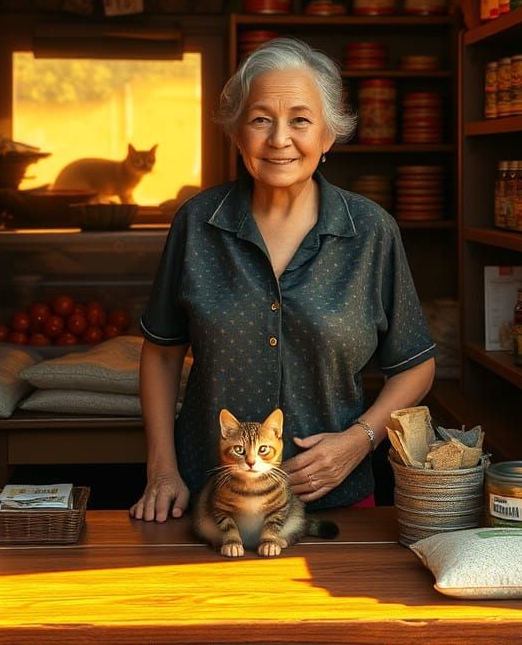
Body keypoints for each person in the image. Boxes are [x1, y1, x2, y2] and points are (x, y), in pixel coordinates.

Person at [130, 37, 436, 521]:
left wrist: (359, 442)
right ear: (237, 133)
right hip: (212, 502)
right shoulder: (197, 223)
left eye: (300, 120)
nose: (279, 139)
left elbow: (415, 365)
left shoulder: (370, 231)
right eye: (260, 120)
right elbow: (162, 354)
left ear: (328, 135)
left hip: (335, 504)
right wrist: (162, 470)